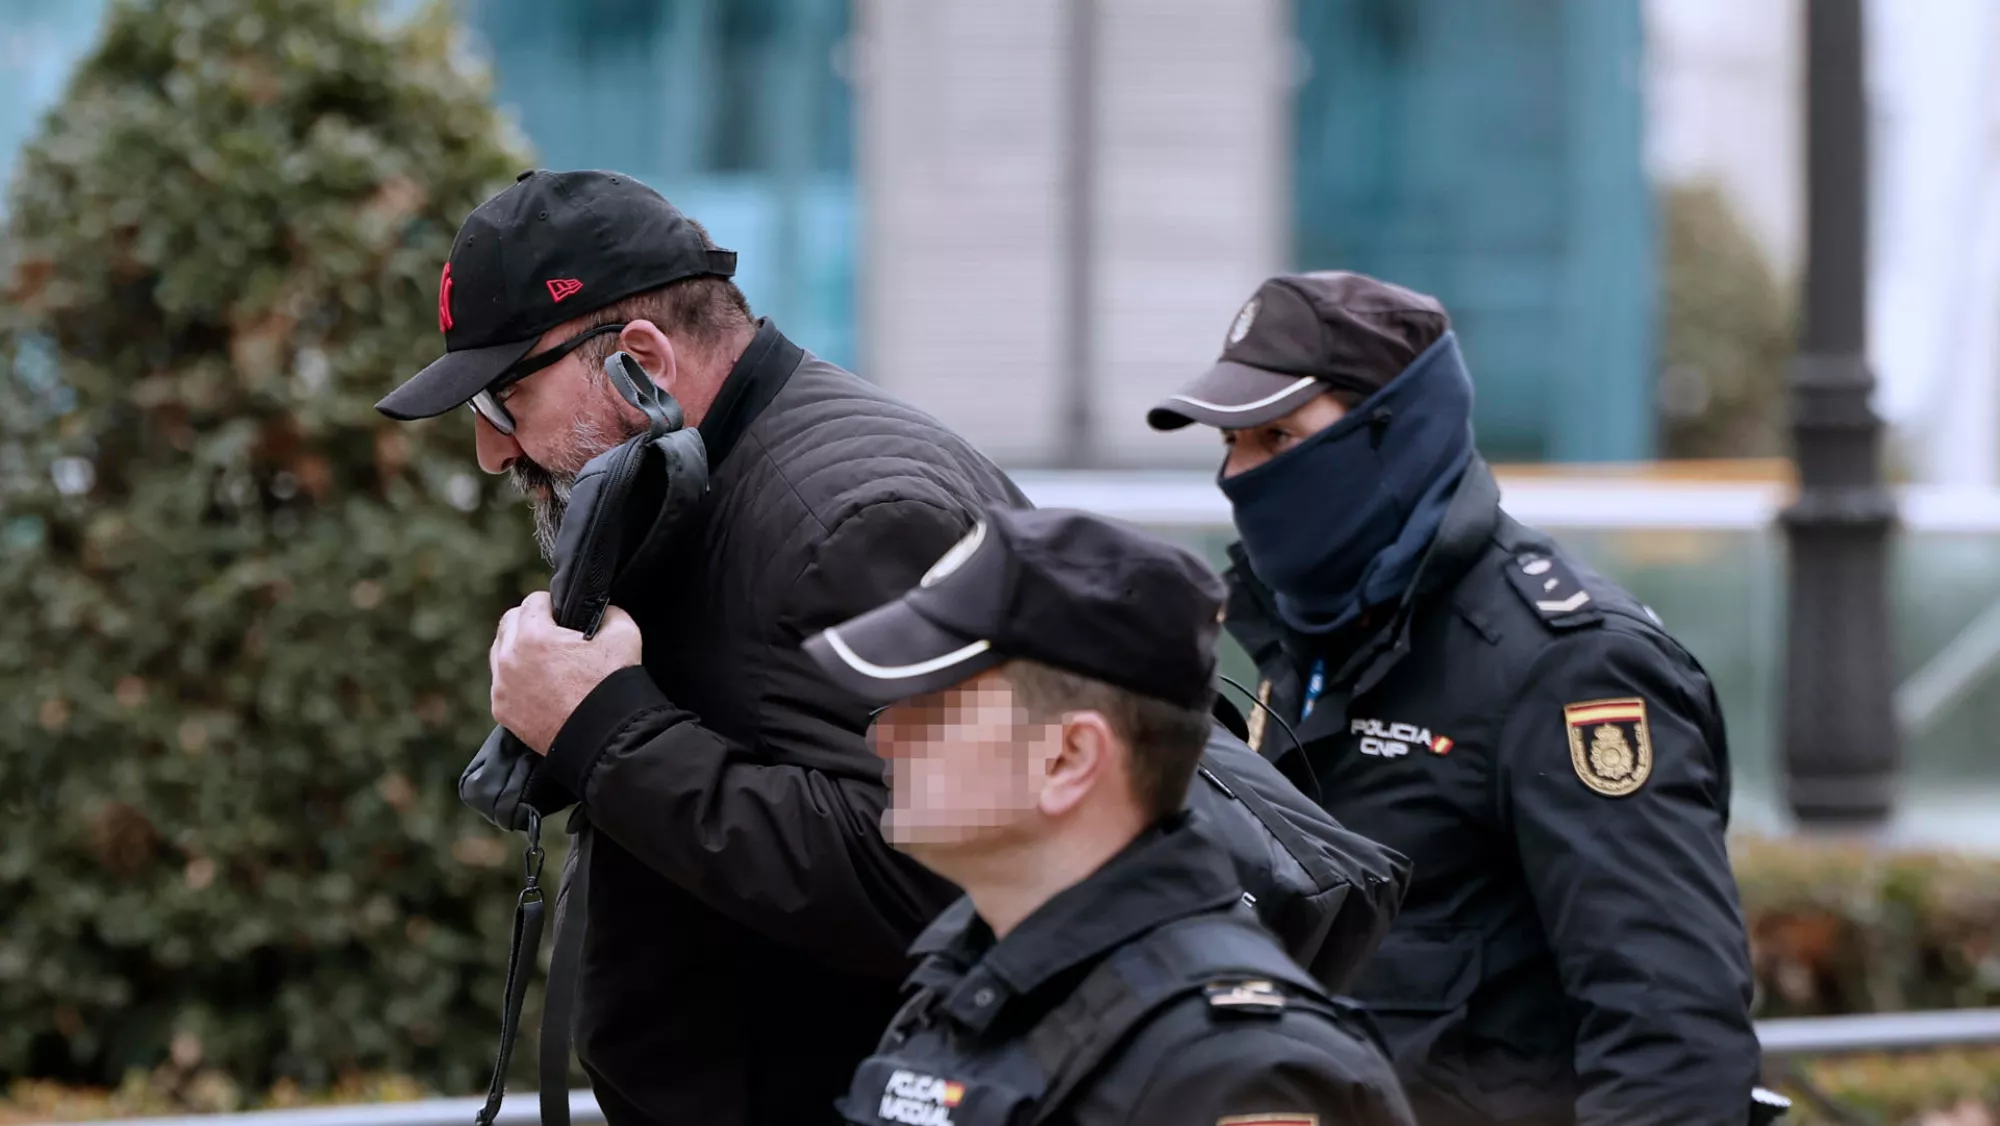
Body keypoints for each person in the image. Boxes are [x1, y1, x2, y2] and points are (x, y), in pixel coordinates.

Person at [374, 169, 1028, 1126]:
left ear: (642, 358)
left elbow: (935, 878)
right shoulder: (709, 472)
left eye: (509, 397)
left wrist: (605, 729)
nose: (493, 451)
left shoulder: (851, 520)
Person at [1144, 271, 1764, 1126]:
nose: (1237, 475)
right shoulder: (1302, 640)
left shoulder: (1571, 667)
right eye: (1231, 442)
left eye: (1278, 436)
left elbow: (1674, 1041)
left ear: (1396, 431)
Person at [800, 503, 1418, 1126]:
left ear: (1069, 757)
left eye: (935, 708)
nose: (885, 736)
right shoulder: (963, 986)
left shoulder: (1239, 1070)